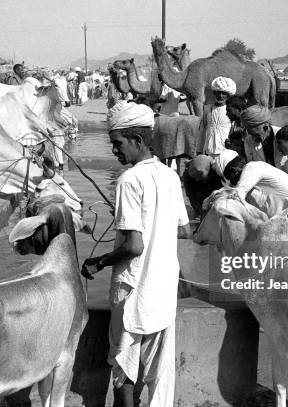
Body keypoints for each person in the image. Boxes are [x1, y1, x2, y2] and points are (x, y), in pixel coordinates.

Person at [82, 101, 190, 407]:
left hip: (134, 290)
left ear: (138, 141)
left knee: (123, 364)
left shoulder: (129, 180)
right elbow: (183, 229)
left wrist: (99, 261)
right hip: (164, 288)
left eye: (118, 144)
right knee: (160, 370)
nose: (115, 151)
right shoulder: (170, 176)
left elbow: (133, 247)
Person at [232, 160, 288, 240]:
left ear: (234, 170)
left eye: (229, 177)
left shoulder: (251, 168)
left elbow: (236, 197)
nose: (232, 182)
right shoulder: (257, 170)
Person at [182, 149, 244, 217]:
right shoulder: (200, 172)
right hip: (193, 180)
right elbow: (194, 197)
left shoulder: (219, 168)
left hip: (205, 179)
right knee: (201, 206)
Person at [198, 77, 235, 158]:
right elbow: (202, 129)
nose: (220, 96)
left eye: (223, 93)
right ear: (214, 93)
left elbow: (234, 130)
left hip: (225, 152)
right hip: (208, 151)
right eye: (218, 92)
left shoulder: (232, 110)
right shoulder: (207, 109)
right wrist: (199, 150)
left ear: (228, 95)